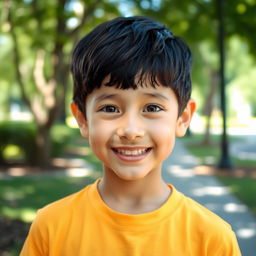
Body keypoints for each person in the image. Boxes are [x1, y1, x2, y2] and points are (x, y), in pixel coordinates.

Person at [20, 16, 241, 255]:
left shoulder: (212, 238)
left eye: (152, 108)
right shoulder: (51, 227)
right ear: (82, 119)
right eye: (110, 108)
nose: (131, 131)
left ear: (183, 118)